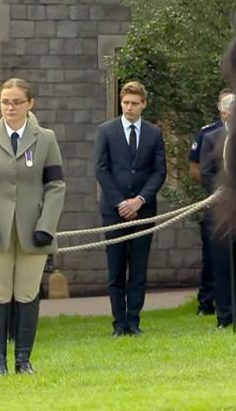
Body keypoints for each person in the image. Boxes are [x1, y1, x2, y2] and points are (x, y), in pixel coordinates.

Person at [0, 78, 66, 375]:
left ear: (30, 104)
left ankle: (23, 360)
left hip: (32, 229)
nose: (10, 107)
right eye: (5, 102)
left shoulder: (45, 138)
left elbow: (56, 184)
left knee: (26, 293)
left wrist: (46, 225)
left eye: (16, 102)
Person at [94, 81, 167, 337]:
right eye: (125, 102)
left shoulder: (153, 133)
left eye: (134, 103)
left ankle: (134, 321)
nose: (129, 107)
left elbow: (159, 171)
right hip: (114, 211)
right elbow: (101, 170)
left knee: (138, 268)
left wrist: (139, 201)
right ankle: (118, 323)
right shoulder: (106, 131)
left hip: (144, 211)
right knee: (116, 269)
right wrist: (120, 202)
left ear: (143, 104)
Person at [199, 93, 236, 329]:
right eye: (232, 111)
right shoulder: (211, 138)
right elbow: (206, 173)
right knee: (222, 265)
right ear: (224, 114)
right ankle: (224, 315)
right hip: (220, 211)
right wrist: (225, 190)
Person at [188, 89, 232, 316]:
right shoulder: (209, 134)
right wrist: (217, 190)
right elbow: (196, 168)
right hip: (215, 201)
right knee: (211, 256)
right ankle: (206, 301)